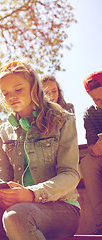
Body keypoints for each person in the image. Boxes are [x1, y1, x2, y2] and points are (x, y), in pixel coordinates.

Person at [0, 59, 81, 240]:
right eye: (6, 93)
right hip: (16, 207)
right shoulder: (3, 131)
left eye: (18, 89)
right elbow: (2, 175)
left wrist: (32, 194)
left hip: (62, 206)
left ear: (33, 87)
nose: (11, 97)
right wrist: (0, 195)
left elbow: (70, 175)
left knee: (17, 216)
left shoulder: (63, 119)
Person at [80, 71, 102, 235]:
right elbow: (90, 146)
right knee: (87, 162)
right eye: (97, 100)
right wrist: (95, 149)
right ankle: (101, 222)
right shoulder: (90, 112)